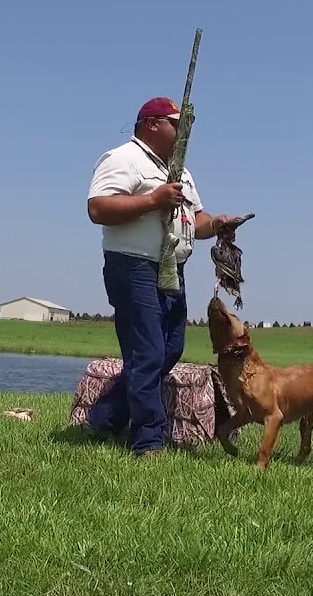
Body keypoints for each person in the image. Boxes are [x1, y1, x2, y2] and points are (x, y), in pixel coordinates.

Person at [85, 96, 234, 457]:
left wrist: (216, 224)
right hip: (132, 265)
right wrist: (154, 199)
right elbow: (98, 208)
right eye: (177, 124)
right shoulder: (123, 158)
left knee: (169, 349)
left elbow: (196, 220)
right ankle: (148, 441)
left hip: (171, 268)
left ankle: (106, 416)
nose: (185, 132)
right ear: (152, 124)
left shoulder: (181, 171)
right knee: (148, 351)